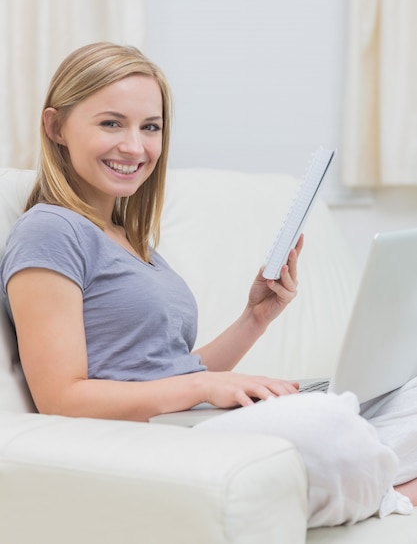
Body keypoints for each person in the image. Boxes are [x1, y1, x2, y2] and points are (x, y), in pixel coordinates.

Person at [0, 42, 416, 527]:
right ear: (55, 128)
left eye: (149, 127)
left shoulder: (132, 241)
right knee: (326, 422)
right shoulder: (51, 230)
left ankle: (364, 479)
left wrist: (256, 317)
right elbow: (60, 400)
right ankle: (391, 488)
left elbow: (176, 370)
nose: (135, 146)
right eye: (111, 123)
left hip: (189, 420)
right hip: (153, 440)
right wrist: (202, 386)